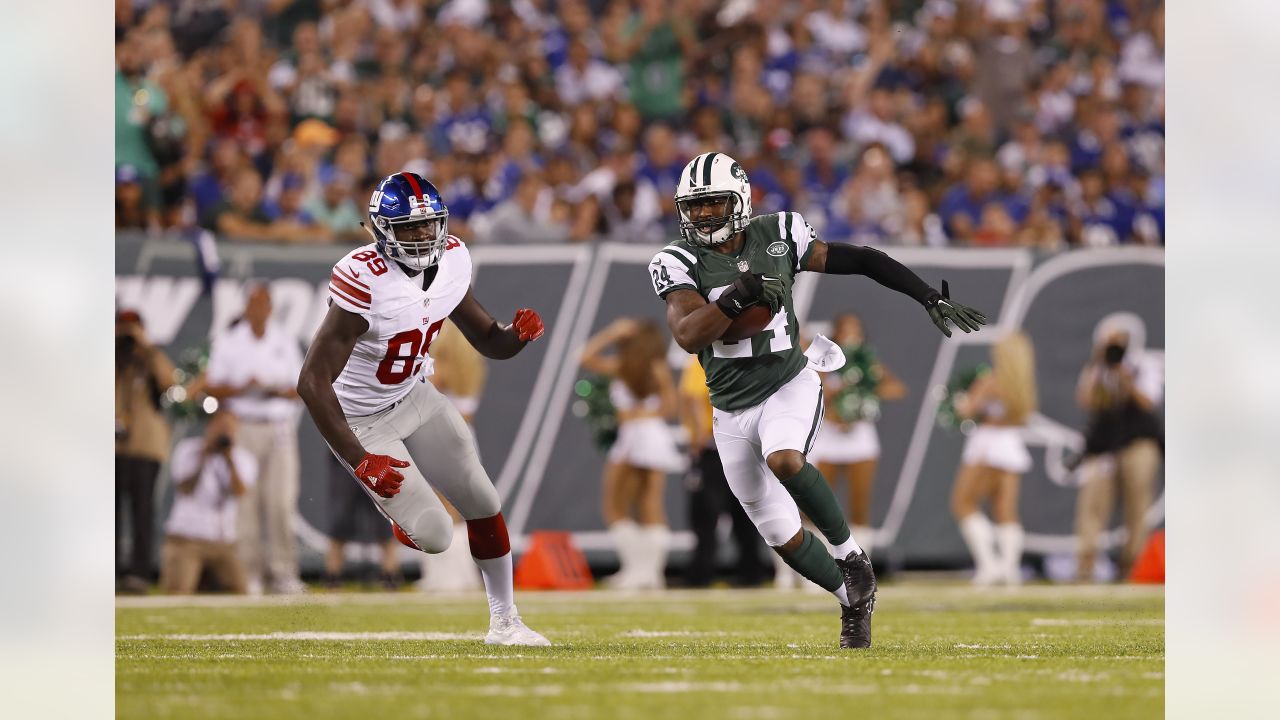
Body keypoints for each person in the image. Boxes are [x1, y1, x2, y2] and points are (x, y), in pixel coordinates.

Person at [650, 151, 987, 648]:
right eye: (694, 207)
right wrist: (732, 299)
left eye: (713, 204)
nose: (702, 216)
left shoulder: (780, 232)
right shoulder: (675, 259)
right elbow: (686, 334)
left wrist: (925, 295)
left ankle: (853, 557)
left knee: (784, 458)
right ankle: (853, 597)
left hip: (789, 381)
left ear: (740, 201)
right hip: (728, 408)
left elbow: (862, 260)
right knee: (780, 536)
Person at [298, 171, 550, 646]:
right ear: (381, 230)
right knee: (435, 535)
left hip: (415, 394)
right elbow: (311, 382)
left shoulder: (453, 259)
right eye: (409, 228)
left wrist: (514, 337)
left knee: (483, 499)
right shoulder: (364, 281)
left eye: (428, 225)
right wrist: (360, 461)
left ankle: (506, 622)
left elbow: (486, 338)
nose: (422, 236)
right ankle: (401, 516)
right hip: (362, 419)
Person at [204, 284, 306, 595]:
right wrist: (243, 387)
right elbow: (212, 387)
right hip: (243, 424)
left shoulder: (284, 341)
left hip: (278, 425)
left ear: (271, 308)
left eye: (264, 304)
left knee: (280, 501)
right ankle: (249, 573)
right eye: (254, 304)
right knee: (245, 503)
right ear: (246, 308)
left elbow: (300, 388)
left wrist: (274, 389)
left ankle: (283, 571)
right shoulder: (230, 342)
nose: (259, 310)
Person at [580, 318, 682, 589]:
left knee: (615, 505)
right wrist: (648, 413)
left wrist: (611, 333)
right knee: (649, 503)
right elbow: (670, 407)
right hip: (654, 436)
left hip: (634, 436)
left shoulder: (624, 366)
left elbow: (585, 357)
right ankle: (648, 573)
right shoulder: (657, 367)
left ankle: (639, 571)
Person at [809, 313, 906, 559]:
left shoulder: (867, 364)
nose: (852, 335)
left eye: (856, 330)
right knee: (817, 506)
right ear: (836, 334)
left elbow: (897, 389)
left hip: (860, 439)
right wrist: (834, 393)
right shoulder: (823, 361)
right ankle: (818, 566)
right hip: (828, 438)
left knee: (859, 505)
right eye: (846, 330)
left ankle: (862, 565)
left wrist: (865, 393)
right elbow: (811, 394)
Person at [1074, 317, 1164, 581]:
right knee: (1092, 502)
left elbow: (1149, 402)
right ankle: (1085, 564)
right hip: (1104, 445)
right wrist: (1100, 369)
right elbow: (1085, 400)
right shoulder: (1097, 368)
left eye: (1118, 341)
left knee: (1137, 503)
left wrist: (1127, 379)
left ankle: (1132, 564)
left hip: (1138, 442)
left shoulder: (1142, 365)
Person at [950, 331, 1039, 586]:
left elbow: (968, 409)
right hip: (1011, 445)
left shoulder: (990, 380)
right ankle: (1009, 568)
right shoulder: (1023, 384)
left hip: (988, 445)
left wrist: (958, 402)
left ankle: (989, 564)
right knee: (1005, 510)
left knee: (963, 503)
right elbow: (1023, 416)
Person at [678, 355, 770, 588]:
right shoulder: (748, 353)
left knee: (707, 514)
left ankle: (702, 573)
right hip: (744, 444)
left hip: (715, 444)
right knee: (744, 510)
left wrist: (698, 434)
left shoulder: (706, 355)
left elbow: (693, 396)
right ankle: (750, 572)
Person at [416, 320, 487, 593]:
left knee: (441, 509)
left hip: (440, 438)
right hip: (464, 438)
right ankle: (461, 575)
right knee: (457, 511)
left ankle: (444, 575)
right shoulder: (473, 369)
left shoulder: (440, 369)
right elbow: (468, 412)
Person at [159, 411, 257, 595]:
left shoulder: (242, 458)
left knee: (242, 593)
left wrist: (229, 460)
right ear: (209, 427)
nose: (224, 433)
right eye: (220, 428)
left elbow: (240, 492)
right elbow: (185, 488)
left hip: (224, 541)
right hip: (186, 539)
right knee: (177, 592)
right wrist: (204, 454)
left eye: (229, 429)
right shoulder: (188, 449)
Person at [115, 309, 176, 593]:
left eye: (132, 328)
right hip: (111, 448)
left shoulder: (149, 357)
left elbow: (169, 382)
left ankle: (139, 573)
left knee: (142, 512)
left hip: (145, 445)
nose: (126, 333)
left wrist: (145, 345)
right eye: (121, 327)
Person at [322, 450, 403, 591]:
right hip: (345, 460)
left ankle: (391, 576)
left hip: (377, 457)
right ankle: (332, 577)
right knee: (341, 520)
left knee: (385, 519)